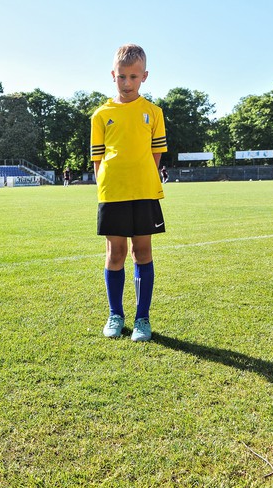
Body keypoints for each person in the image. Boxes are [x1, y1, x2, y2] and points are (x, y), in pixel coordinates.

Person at [91, 43, 167, 342]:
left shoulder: (154, 112)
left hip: (144, 191)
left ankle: (142, 319)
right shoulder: (101, 115)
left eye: (133, 77)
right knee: (116, 253)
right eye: (122, 76)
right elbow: (98, 159)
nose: (127, 83)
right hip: (113, 193)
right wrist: (106, 187)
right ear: (113, 75)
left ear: (144, 76)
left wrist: (142, 179)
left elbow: (155, 155)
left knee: (142, 252)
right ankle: (115, 314)